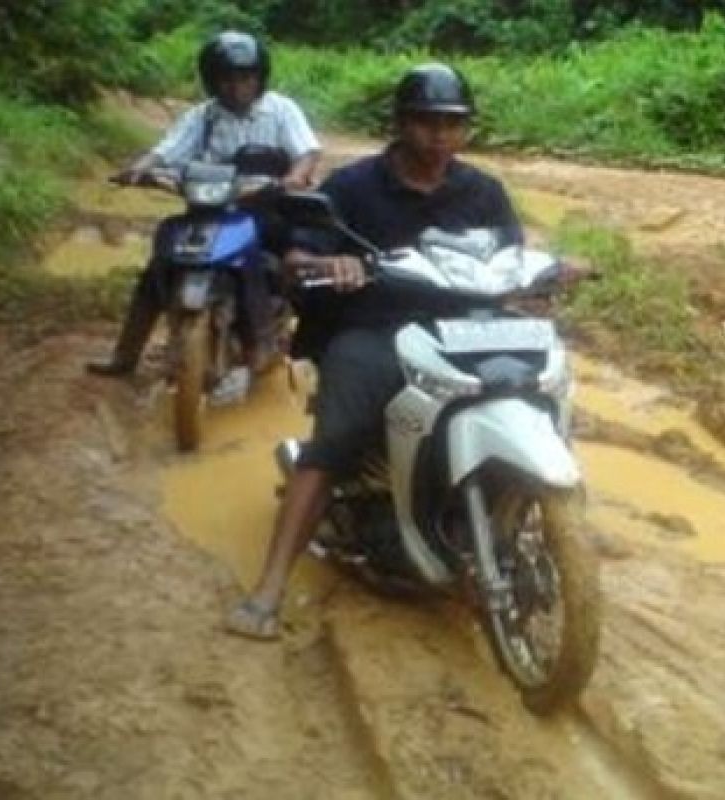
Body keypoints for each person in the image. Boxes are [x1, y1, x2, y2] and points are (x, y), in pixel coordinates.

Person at [226, 62, 534, 639]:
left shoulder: (483, 192)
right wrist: (329, 263)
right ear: (399, 123)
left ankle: (504, 523)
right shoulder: (352, 187)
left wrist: (552, 272)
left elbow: (511, 260)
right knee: (334, 445)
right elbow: (296, 258)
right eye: (426, 122)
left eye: (452, 123)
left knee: (527, 399)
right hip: (376, 332)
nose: (440, 135)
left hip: (465, 332)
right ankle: (268, 590)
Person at [87, 30, 322, 404]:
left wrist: (295, 176)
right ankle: (125, 354)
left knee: (268, 263)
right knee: (157, 268)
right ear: (212, 80)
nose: (236, 86)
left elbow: (306, 151)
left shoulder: (281, 110)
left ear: (260, 78)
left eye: (245, 77)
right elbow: (165, 151)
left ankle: (263, 340)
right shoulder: (202, 117)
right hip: (208, 208)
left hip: (263, 208)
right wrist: (139, 168)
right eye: (226, 78)